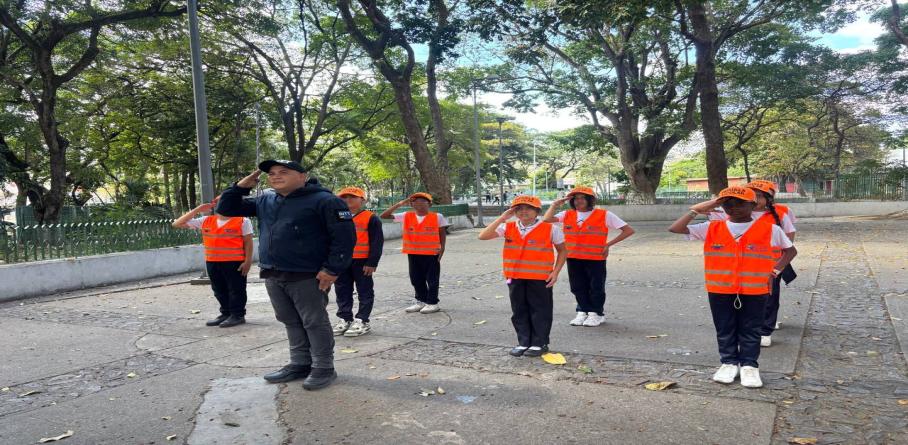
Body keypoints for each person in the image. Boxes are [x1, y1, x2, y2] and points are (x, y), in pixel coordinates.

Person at [218, 160, 355, 390]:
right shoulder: (266, 200)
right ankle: (300, 363)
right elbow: (226, 208)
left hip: (308, 274)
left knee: (313, 321)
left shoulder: (325, 200)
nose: (276, 176)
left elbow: (344, 238)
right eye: (271, 173)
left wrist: (332, 269)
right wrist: (242, 185)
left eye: (284, 172)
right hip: (273, 272)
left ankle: (323, 367)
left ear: (303, 176)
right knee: (289, 320)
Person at [669, 186, 797, 388]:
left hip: (755, 290)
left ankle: (749, 366)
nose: (734, 207)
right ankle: (728, 362)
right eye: (728, 203)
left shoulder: (770, 229)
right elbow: (675, 228)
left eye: (740, 203)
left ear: (752, 205)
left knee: (751, 329)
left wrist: (775, 271)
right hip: (720, 289)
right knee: (725, 328)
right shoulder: (712, 227)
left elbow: (790, 251)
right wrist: (700, 209)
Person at [709, 180, 797, 347]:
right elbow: (702, 211)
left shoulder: (782, 212)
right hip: (740, 266)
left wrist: (779, 265)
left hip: (770, 265)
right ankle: (749, 326)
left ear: (769, 199)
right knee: (745, 298)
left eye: (759, 196)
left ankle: (766, 329)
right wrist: (717, 201)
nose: (755, 200)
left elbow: (789, 239)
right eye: (752, 195)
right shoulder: (733, 210)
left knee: (770, 296)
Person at [479, 195, 567, 357]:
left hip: (540, 278)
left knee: (540, 310)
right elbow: (483, 236)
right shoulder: (508, 227)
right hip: (514, 277)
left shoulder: (550, 229)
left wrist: (555, 272)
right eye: (519, 209)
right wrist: (503, 218)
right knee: (518, 310)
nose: (523, 211)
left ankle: (539, 342)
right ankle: (524, 341)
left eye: (528, 208)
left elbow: (562, 250)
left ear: (537, 211)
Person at [542, 186, 635, 327]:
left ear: (589, 200)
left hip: (595, 258)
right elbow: (546, 219)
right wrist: (555, 205)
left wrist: (608, 244)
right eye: (576, 198)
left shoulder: (604, 214)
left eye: (582, 198)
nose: (579, 201)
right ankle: (582, 311)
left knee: (596, 287)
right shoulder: (567, 214)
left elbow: (628, 230)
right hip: (573, 257)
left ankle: (596, 313)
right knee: (577, 286)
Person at [172, 198, 253, 328]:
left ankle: (237, 315)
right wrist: (198, 209)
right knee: (218, 290)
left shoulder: (243, 221)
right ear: (215, 205)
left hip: (235, 262)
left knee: (236, 289)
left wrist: (248, 261)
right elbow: (177, 224)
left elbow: (248, 242)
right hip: (213, 262)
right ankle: (226, 313)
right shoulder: (206, 220)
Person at [380, 192, 449, 314]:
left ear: (429, 204)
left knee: (432, 279)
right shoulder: (406, 215)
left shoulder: (437, 216)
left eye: (423, 201)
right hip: (413, 252)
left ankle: (433, 303)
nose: (420, 204)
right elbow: (384, 215)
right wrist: (400, 203)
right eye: (416, 202)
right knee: (416, 278)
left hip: (431, 253)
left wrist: (442, 247)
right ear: (411, 204)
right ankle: (421, 300)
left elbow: (442, 232)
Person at [332, 187, 384, 337]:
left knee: (364, 290)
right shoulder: (339, 216)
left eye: (352, 197)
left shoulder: (370, 217)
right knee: (342, 290)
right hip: (342, 261)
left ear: (362, 200)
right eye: (344, 198)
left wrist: (372, 262)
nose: (348, 200)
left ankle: (362, 320)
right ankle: (344, 317)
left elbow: (377, 242)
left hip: (362, 262)